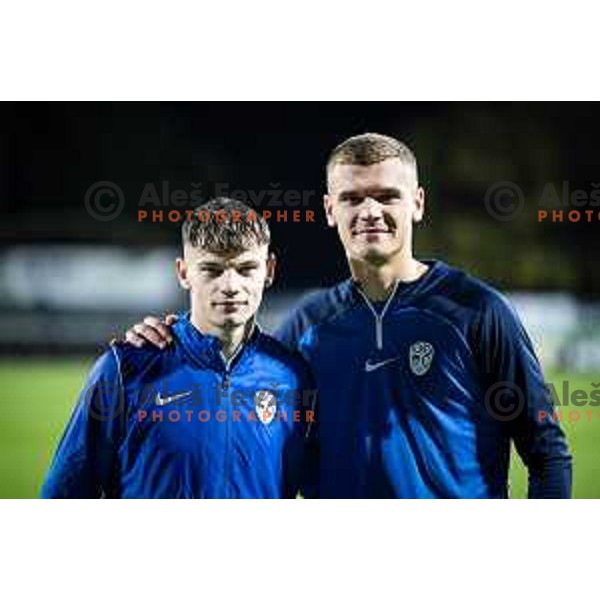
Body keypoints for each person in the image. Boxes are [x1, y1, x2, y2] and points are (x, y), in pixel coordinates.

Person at [125, 133, 572, 499]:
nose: (369, 212)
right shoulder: (308, 322)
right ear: (328, 209)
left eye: (386, 196)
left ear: (416, 203)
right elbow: (237, 377)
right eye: (352, 198)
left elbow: (546, 451)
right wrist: (169, 337)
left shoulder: (478, 311)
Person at [42, 197, 315, 499]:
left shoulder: (293, 376)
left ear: (269, 270)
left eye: (246, 269)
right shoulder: (125, 369)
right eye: (212, 270)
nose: (230, 285)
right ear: (184, 273)